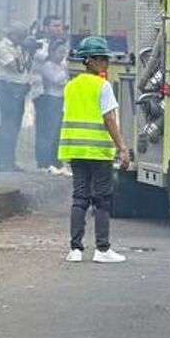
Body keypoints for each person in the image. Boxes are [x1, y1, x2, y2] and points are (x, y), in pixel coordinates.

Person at [58, 37, 132, 264]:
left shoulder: (71, 86)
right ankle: (102, 249)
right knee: (102, 200)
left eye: (106, 58)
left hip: (76, 151)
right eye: (101, 58)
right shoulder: (103, 86)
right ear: (88, 60)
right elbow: (109, 118)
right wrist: (122, 147)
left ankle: (75, 249)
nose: (105, 63)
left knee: (79, 198)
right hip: (98, 152)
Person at [0, 24, 32, 172]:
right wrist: (25, 51)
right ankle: (1, 161)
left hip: (19, 89)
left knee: (14, 127)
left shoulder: (18, 48)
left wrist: (28, 52)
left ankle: (9, 160)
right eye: (21, 35)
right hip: (7, 89)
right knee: (7, 125)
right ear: (13, 35)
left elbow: (26, 67)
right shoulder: (2, 48)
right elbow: (15, 68)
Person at [32, 41, 70, 174]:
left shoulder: (62, 66)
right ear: (52, 52)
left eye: (64, 52)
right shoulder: (48, 66)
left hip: (60, 99)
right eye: (60, 52)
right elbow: (59, 80)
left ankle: (55, 161)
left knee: (57, 132)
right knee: (49, 132)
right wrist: (66, 70)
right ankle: (44, 161)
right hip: (51, 98)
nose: (62, 55)